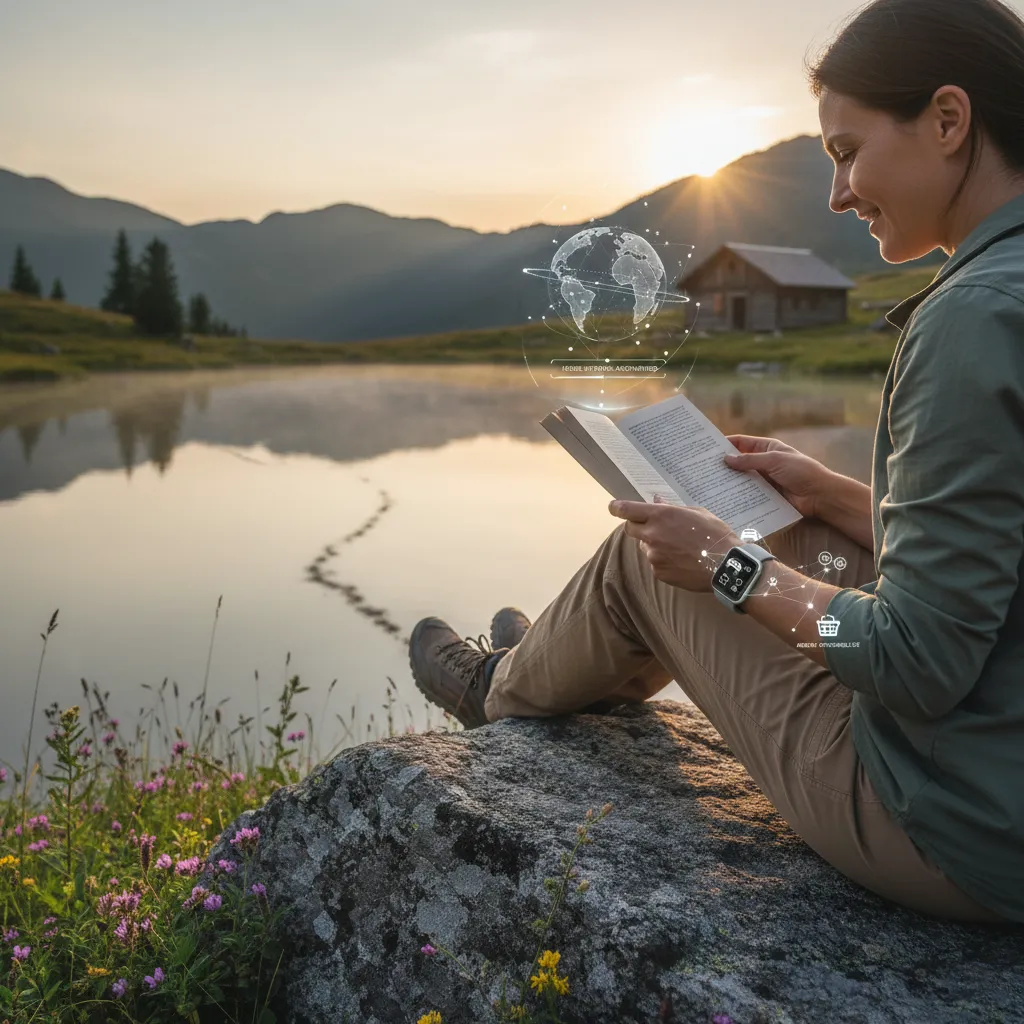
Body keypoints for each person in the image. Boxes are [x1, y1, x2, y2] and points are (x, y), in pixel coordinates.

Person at [409, 0, 1024, 925]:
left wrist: (727, 568)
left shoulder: (972, 319)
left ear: (948, 119)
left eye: (847, 151)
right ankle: (566, 661)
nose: (839, 193)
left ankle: (499, 690)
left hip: (962, 828)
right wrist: (840, 496)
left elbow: (920, 662)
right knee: (795, 519)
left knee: (652, 559)